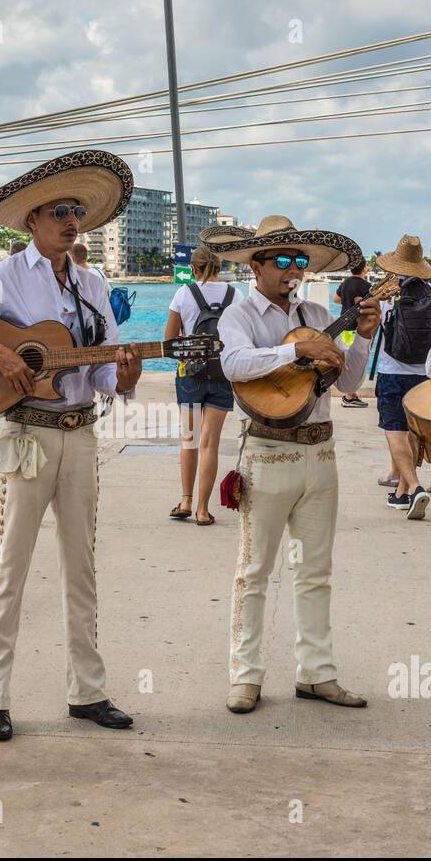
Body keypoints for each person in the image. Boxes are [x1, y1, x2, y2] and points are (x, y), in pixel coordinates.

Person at [0, 150, 143, 742]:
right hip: (29, 434)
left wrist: (123, 374)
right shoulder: (4, 278)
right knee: (10, 565)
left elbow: (96, 374)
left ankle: (87, 691)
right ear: (32, 222)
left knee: (82, 566)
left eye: (77, 211)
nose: (72, 221)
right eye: (59, 211)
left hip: (81, 434)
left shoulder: (94, 286)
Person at [202, 215, 380, 714]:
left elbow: (349, 386)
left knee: (316, 570)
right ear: (256, 265)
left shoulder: (323, 312)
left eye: (300, 260)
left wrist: (362, 336)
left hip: (321, 450)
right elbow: (234, 365)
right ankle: (245, 675)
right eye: (282, 260)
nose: (294, 269)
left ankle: (317, 673)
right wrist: (295, 348)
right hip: (268, 449)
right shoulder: (239, 315)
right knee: (254, 571)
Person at [372, 235, 431, 520]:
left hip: (392, 371)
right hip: (425, 373)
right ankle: (401, 493)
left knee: (395, 432)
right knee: (416, 433)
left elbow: (370, 330)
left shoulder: (385, 294)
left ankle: (415, 487)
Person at [165, 245, 235, 526]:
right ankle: (203, 510)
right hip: (223, 374)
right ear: (219, 267)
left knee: (190, 439)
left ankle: (185, 500)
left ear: (192, 269)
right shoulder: (236, 295)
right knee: (210, 443)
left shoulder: (184, 294)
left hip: (190, 375)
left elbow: (169, 341)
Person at [334, 257, 371, 409]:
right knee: (354, 360)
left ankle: (351, 395)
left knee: (346, 358)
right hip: (357, 327)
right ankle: (349, 397)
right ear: (364, 269)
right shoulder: (366, 285)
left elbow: (336, 299)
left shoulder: (345, 282)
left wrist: (346, 301)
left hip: (343, 325)